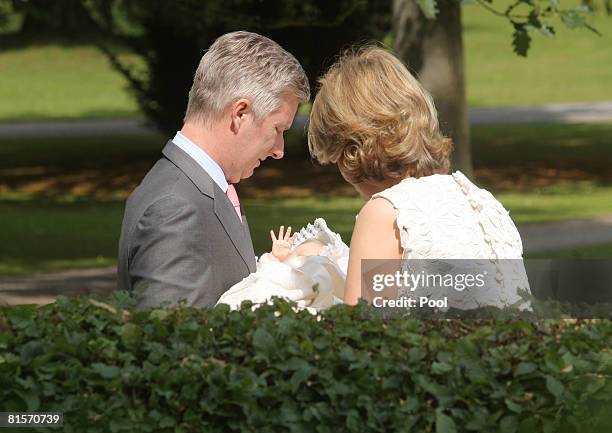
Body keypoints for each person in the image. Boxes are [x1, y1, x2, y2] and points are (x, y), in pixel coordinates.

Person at [307, 46, 530, 309]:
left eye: (335, 159)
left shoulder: (386, 214)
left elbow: (361, 336)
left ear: (350, 150)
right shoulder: (482, 200)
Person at [117, 31, 310, 310]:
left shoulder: (202, 187)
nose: (279, 150)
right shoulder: (176, 206)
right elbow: (170, 341)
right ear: (240, 113)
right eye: (277, 129)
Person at [216, 221, 349, 312]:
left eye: (312, 257)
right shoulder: (279, 267)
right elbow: (262, 271)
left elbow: (332, 282)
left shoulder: (323, 270)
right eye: (299, 254)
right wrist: (274, 257)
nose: (305, 258)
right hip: (266, 288)